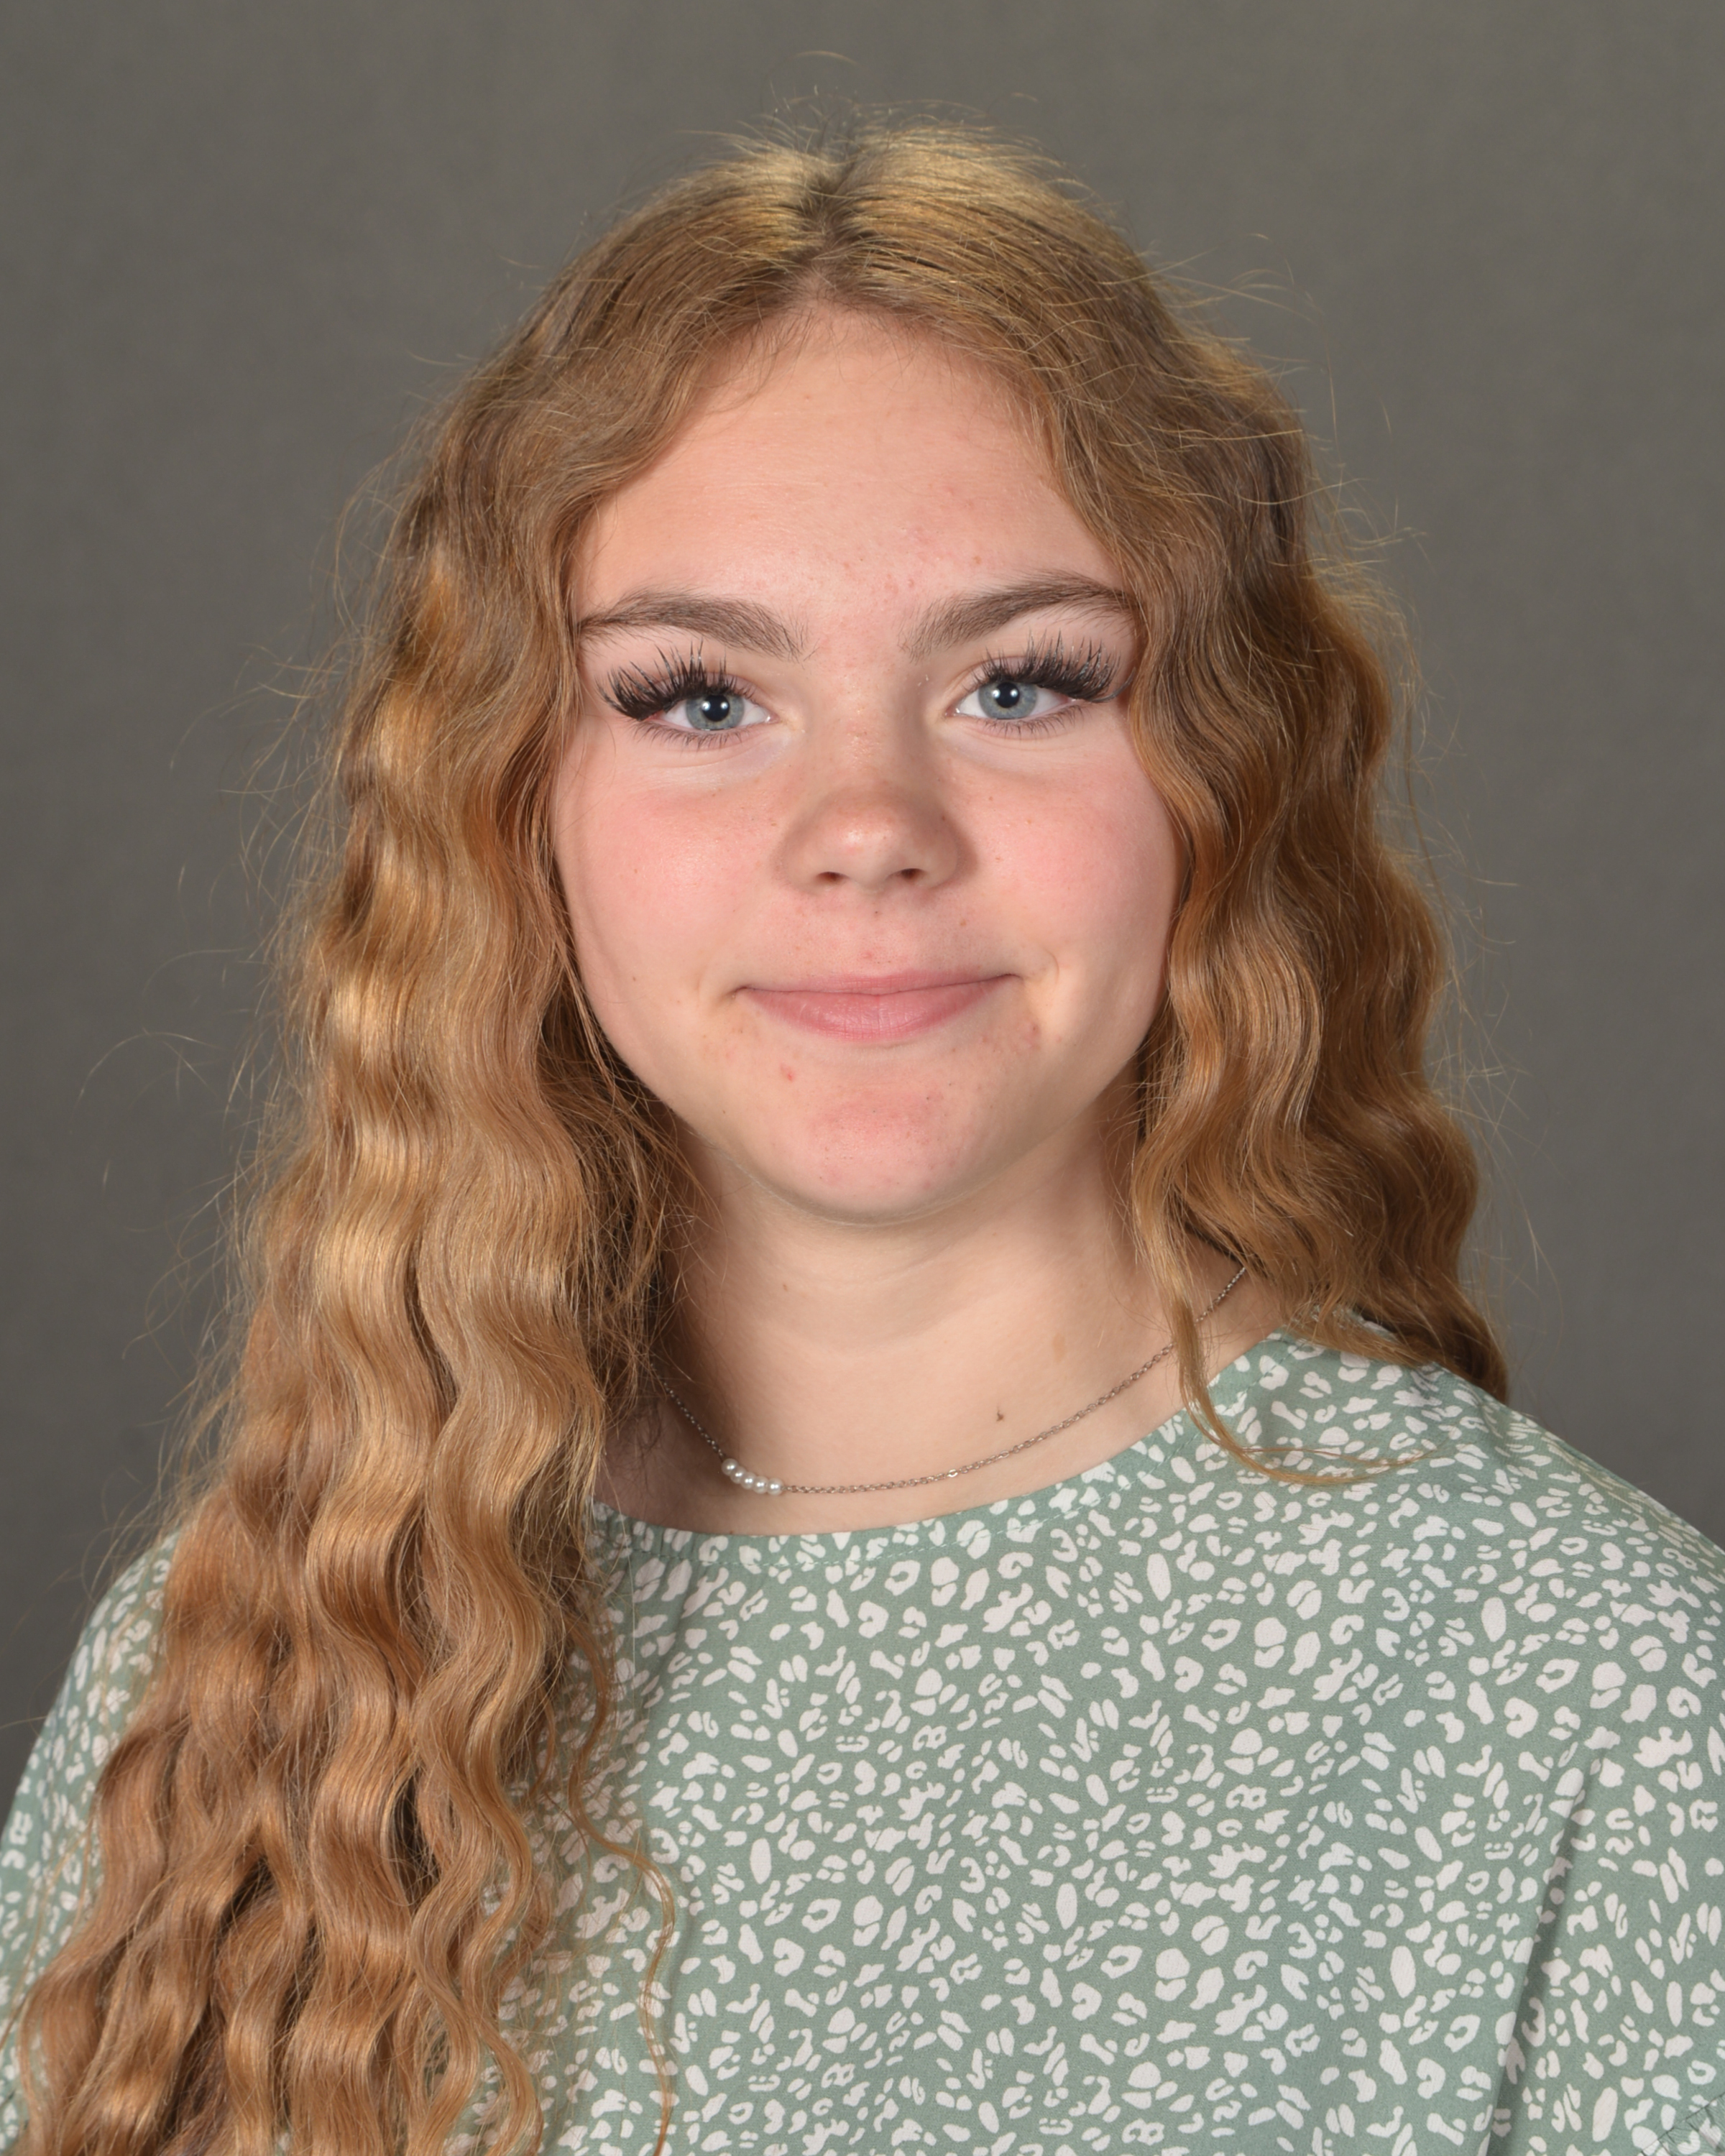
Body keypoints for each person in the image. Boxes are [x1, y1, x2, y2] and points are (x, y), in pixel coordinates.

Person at [3, 120, 1723, 2156]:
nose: (867, 829)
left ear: (1224, 774)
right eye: (697, 698)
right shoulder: (238, 1672)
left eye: (1023, 683)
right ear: (512, 803)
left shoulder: (1589, 1687)